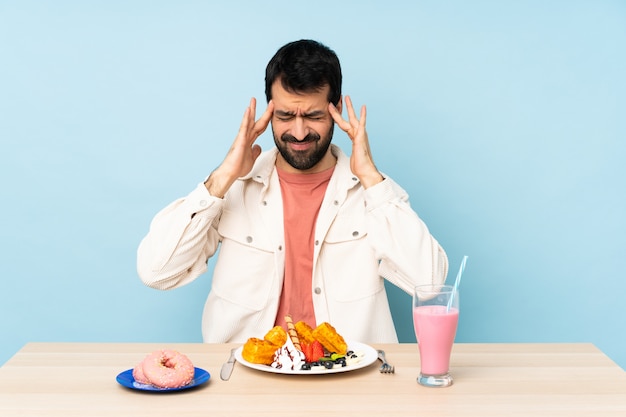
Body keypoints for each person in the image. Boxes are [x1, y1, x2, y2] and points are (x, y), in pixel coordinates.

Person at [137, 39, 448, 344]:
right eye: (285, 116)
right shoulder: (232, 187)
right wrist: (223, 177)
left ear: (335, 109)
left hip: (349, 380)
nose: (299, 133)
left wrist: (369, 177)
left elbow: (429, 283)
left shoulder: (372, 192)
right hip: (246, 379)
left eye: (313, 116)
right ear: (270, 111)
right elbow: (157, 272)